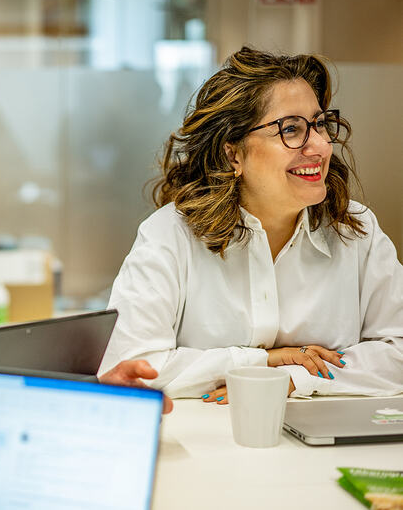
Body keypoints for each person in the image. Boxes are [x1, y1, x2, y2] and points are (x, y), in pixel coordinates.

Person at [98, 47, 403, 404]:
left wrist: (294, 377)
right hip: (208, 448)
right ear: (233, 154)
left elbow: (398, 352)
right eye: (291, 129)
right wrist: (257, 361)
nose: (320, 146)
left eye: (319, 125)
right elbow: (132, 370)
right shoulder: (171, 235)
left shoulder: (355, 230)